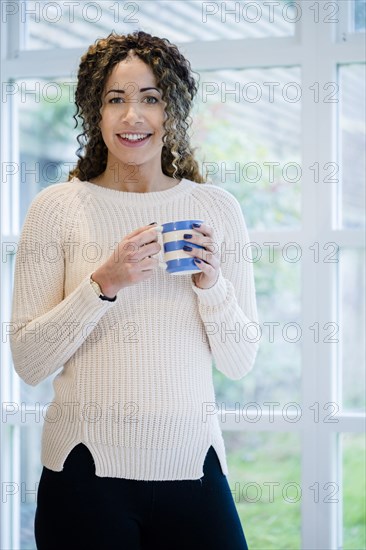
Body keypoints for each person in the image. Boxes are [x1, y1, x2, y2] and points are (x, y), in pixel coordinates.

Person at [10, 31, 259, 550]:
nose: (132, 117)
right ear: (94, 113)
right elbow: (29, 361)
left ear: (173, 111)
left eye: (150, 98)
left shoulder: (216, 210)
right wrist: (103, 283)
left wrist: (212, 285)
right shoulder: (56, 208)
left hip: (192, 464)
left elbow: (239, 361)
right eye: (115, 99)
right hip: (84, 475)